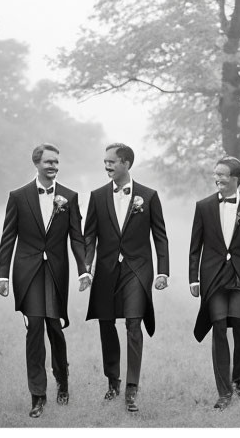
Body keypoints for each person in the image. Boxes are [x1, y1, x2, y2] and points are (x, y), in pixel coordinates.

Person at [0, 143, 89, 419]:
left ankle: (62, 380)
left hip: (56, 272)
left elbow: (77, 237)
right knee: (34, 328)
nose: (53, 166)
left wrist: (83, 269)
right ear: (36, 163)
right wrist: (2, 274)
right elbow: (8, 237)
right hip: (28, 272)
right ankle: (38, 396)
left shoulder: (69, 197)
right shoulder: (19, 196)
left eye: (56, 162)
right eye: (48, 162)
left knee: (54, 328)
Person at [84, 143, 169, 413]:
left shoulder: (149, 196)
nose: (107, 166)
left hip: (137, 268)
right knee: (106, 324)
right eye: (105, 161)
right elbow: (89, 236)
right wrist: (87, 266)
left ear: (127, 164)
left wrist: (163, 270)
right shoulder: (97, 196)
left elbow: (160, 236)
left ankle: (132, 388)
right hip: (107, 270)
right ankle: (113, 381)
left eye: (112, 162)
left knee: (134, 323)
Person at [188, 156, 240, 410]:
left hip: (239, 277)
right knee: (219, 327)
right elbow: (195, 247)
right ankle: (223, 392)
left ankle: (238, 381)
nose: (217, 179)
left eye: (222, 175)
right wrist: (194, 278)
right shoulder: (203, 206)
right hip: (213, 277)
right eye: (215, 174)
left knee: (238, 324)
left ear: (235, 178)